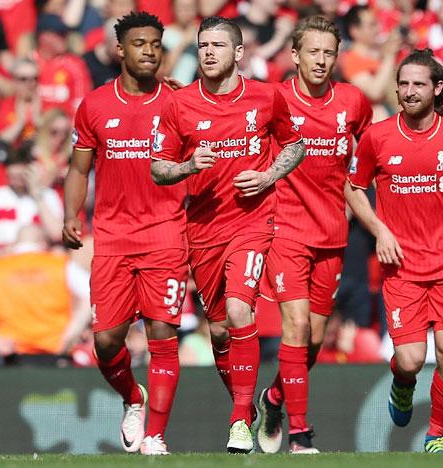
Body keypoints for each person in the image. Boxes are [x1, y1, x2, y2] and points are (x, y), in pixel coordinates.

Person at [151, 16, 304, 453]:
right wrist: (186, 166)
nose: (209, 52)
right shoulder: (179, 105)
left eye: (219, 44)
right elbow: (158, 168)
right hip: (202, 228)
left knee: (240, 311)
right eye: (203, 45)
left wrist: (269, 175)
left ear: (238, 52)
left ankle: (238, 421)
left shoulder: (265, 95)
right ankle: (246, 405)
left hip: (253, 221)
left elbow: (295, 144)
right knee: (219, 332)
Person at [345, 48, 443, 453]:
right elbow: (354, 188)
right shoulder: (377, 136)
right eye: (404, 84)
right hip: (401, 267)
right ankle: (401, 384)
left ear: (436, 89)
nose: (410, 91)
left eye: (418, 84)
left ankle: (437, 435)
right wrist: (380, 230)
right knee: (411, 360)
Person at [63, 11, 188, 456]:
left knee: (162, 334)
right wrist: (72, 213)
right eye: (140, 43)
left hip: (166, 234)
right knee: (106, 340)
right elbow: (78, 168)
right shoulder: (95, 105)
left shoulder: (178, 103)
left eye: (156, 43)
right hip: (113, 236)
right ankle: (133, 399)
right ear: (120, 49)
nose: (149, 51)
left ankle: (155, 435)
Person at [254, 15, 372, 454]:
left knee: (315, 340)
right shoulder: (274, 99)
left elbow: (368, 156)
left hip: (333, 233)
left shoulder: (354, 102)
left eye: (328, 53)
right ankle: (300, 436)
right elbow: (228, 111)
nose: (321, 61)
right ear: (296, 55)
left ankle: (275, 398)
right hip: (284, 230)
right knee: (297, 327)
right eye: (313, 52)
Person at [0, 225, 90, 366]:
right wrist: (73, 331)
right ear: (43, 242)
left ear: (15, 243)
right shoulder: (60, 264)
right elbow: (91, 292)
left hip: (14, 355)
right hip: (56, 351)